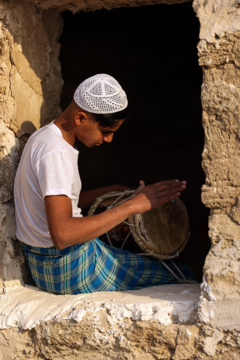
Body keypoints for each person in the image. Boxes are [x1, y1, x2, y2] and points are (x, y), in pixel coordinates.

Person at [14, 73, 196, 295]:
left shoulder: (46, 136)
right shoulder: (56, 153)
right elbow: (62, 235)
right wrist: (132, 206)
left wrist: (115, 191)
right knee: (181, 275)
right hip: (67, 269)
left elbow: (60, 203)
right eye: (106, 131)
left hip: (52, 262)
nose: (109, 139)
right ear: (80, 118)